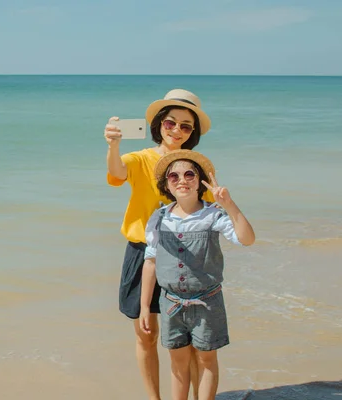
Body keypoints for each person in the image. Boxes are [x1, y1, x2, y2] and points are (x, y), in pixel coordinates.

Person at [104, 89, 214, 400]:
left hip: (185, 255)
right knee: (146, 335)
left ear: (193, 134)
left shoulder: (196, 165)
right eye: (170, 123)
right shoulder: (141, 159)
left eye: (185, 126)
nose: (177, 131)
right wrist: (113, 145)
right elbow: (116, 172)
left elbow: (206, 214)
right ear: (158, 125)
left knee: (188, 342)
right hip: (142, 253)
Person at [139, 150, 255, 400]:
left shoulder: (213, 215)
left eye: (189, 174)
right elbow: (150, 264)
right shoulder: (159, 218)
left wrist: (228, 204)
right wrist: (144, 307)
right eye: (174, 176)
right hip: (170, 303)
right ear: (167, 184)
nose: (182, 179)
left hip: (208, 301)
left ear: (200, 181)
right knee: (178, 361)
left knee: (206, 359)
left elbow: (247, 239)